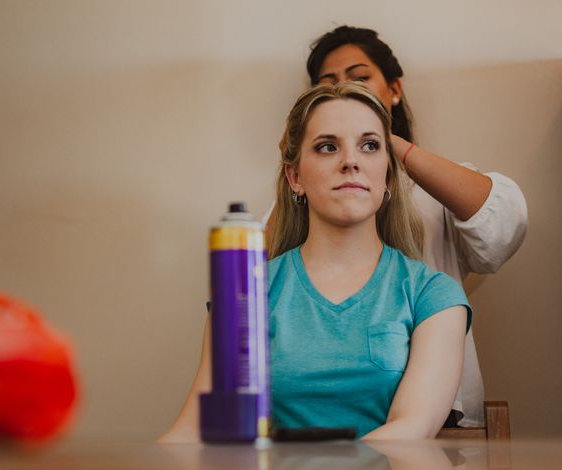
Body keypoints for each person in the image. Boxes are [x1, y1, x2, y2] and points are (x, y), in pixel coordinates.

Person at [160, 81, 471, 441]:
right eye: (327, 147)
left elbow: (410, 431)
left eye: (369, 146)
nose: (351, 161)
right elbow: (197, 428)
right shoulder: (246, 294)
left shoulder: (433, 296)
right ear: (295, 177)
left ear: (386, 173)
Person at [265, 26, 528, 428]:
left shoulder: (431, 273)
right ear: (295, 177)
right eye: (329, 83)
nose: (350, 163)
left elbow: (503, 224)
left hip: (435, 421)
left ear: (394, 88)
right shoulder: (298, 207)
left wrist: (385, 141)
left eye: (360, 77)